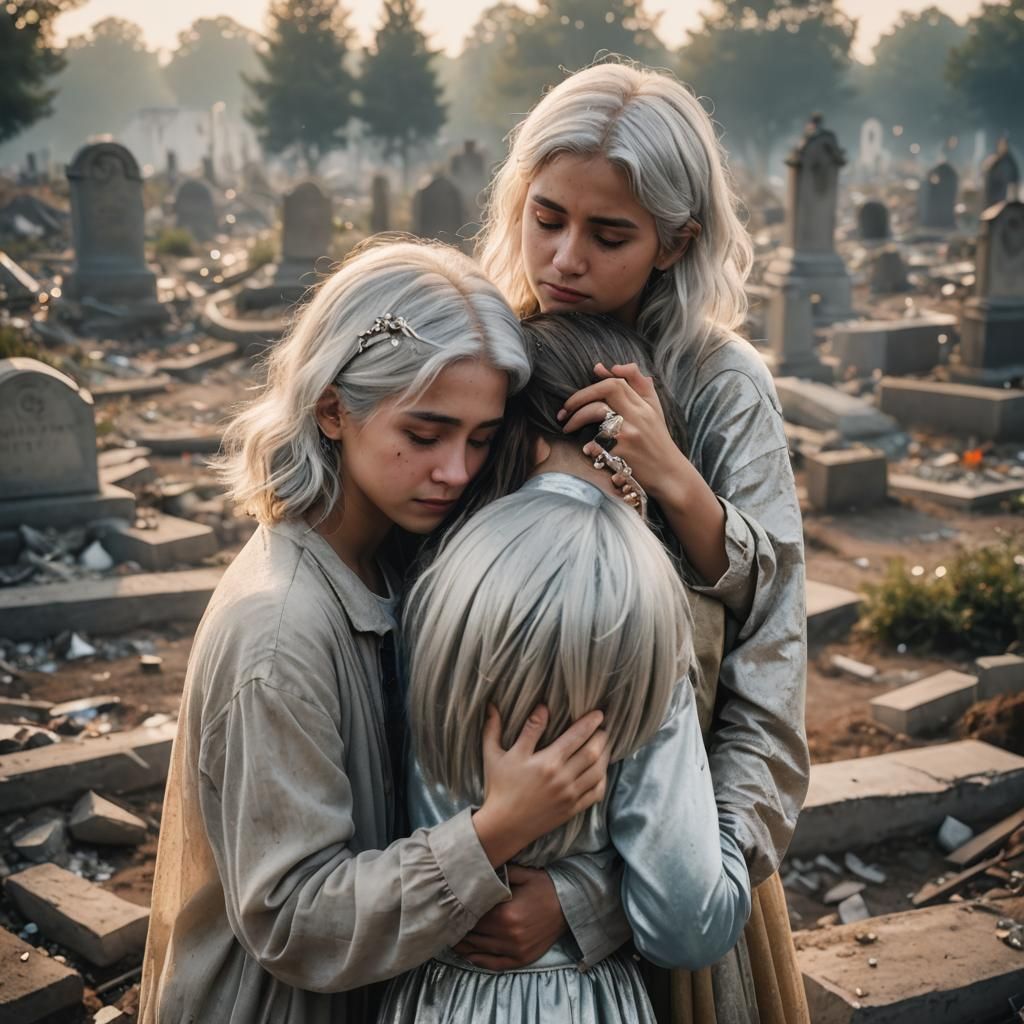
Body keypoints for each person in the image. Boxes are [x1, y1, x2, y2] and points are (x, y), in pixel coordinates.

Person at [138, 239, 613, 1024]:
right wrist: (494, 830)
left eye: (482, 437)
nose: (457, 471)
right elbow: (294, 921)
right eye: (424, 435)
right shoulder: (279, 634)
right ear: (332, 408)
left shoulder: (400, 557)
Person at [473, 61, 811, 1023]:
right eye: (546, 217)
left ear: (677, 241)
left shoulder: (718, 387)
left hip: (679, 884)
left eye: (608, 234)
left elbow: (768, 691)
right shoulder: (489, 349)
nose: (565, 259)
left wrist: (598, 901)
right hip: (478, 872)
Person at [378, 465, 751, 1022]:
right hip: (579, 997)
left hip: (432, 994)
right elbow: (689, 926)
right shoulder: (641, 600)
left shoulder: (440, 574)